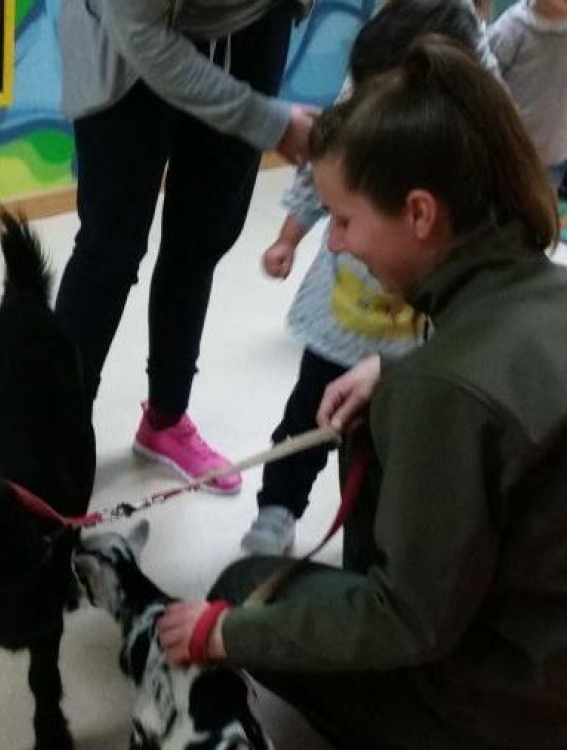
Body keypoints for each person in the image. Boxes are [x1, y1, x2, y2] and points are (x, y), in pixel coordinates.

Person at [158, 38, 567, 749]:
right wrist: (399, 372)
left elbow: (411, 622)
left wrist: (226, 633)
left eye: (344, 221)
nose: (336, 246)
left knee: (244, 584)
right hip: (545, 656)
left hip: (509, 707)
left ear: (420, 213)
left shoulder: (446, 392)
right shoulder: (548, 292)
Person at [242, 0, 493, 555]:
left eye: (346, 221)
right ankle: (279, 506)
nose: (333, 238)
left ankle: (381, 537)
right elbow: (320, 171)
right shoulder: (371, 83)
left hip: (411, 340)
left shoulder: (469, 142)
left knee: (396, 445)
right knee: (309, 419)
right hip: (341, 324)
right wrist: (289, 236)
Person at [56, 0, 319, 494]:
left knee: (199, 241)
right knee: (107, 251)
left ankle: (166, 418)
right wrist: (268, 121)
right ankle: (53, 437)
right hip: (127, 40)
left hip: (251, 31)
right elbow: (139, 33)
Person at [488, 0, 567, 195]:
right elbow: (484, 80)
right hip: (510, 154)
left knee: (543, 207)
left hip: (555, 156)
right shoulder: (513, 28)